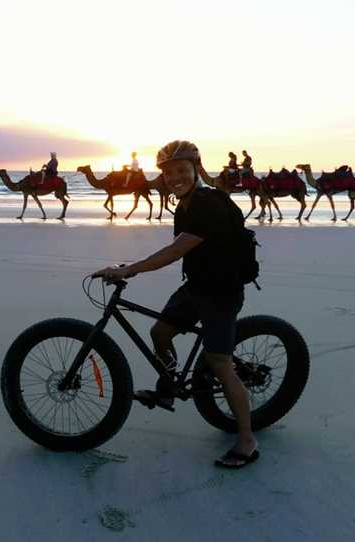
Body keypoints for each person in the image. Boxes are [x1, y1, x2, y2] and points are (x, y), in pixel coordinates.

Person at [92, 140, 258, 469]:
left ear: (196, 170)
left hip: (221, 292)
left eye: (182, 170)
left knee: (220, 363)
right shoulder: (183, 205)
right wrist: (133, 264)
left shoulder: (208, 203)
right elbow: (180, 249)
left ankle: (247, 440)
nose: (174, 177)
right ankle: (167, 388)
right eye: (168, 172)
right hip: (197, 286)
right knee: (160, 333)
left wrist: (130, 269)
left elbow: (174, 252)